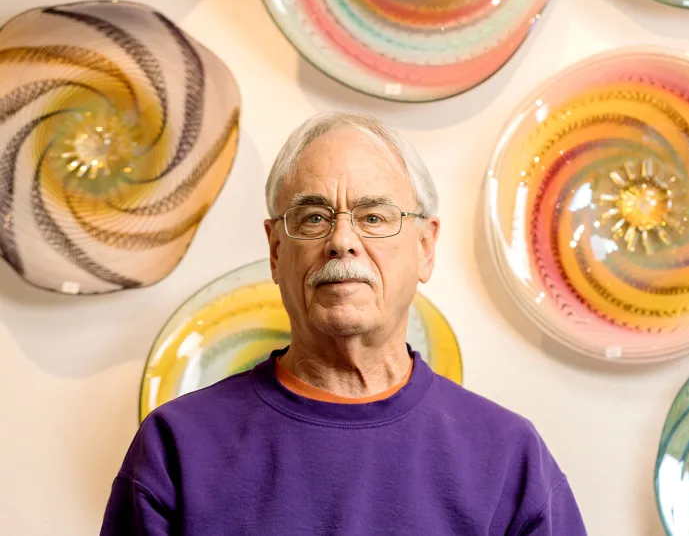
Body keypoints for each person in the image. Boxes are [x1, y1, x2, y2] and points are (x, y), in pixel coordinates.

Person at [101, 113, 588, 535]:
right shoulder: (176, 446)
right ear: (275, 251)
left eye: (374, 217)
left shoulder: (507, 455)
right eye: (313, 217)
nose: (342, 241)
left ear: (425, 247)